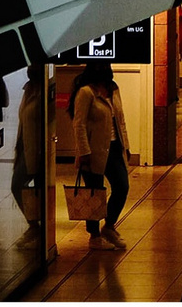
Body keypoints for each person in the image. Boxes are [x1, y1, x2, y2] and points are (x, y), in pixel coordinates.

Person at [71, 61, 135, 251]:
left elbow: (120, 120)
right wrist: (84, 151)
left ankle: (109, 226)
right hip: (93, 150)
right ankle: (94, 235)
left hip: (114, 147)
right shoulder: (86, 93)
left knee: (122, 186)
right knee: (94, 193)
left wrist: (127, 146)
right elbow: (79, 124)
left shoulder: (114, 90)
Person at [11, 64, 46, 246]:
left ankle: (36, 227)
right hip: (26, 147)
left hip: (38, 150)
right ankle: (34, 225)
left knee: (20, 184)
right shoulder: (29, 90)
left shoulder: (44, 93)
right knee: (19, 185)